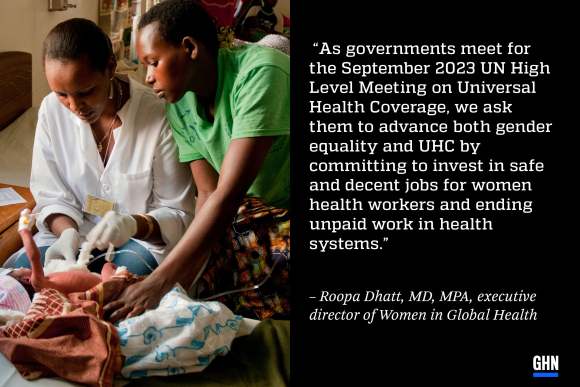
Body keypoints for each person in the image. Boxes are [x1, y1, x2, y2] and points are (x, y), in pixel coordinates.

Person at [103, 0, 290, 323]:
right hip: (242, 218)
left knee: (260, 306)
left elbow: (228, 195)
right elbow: (206, 194)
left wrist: (161, 282)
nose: (147, 77)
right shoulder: (180, 102)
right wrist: (180, 285)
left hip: (278, 214)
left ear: (189, 47)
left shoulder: (261, 73)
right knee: (198, 298)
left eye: (153, 62)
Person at [3, 18, 196, 277]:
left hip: (141, 240)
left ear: (110, 67)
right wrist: (68, 233)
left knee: (113, 292)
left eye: (85, 92)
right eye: (62, 94)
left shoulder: (158, 116)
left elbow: (177, 212)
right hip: (74, 230)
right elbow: (52, 195)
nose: (75, 107)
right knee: (23, 278)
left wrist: (132, 224)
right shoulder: (50, 110)